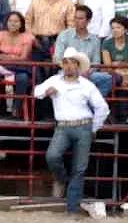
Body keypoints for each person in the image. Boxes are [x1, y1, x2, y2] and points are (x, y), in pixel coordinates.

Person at [34, 47, 109, 214]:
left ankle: (72, 208)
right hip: (64, 126)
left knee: (79, 167)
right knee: (52, 156)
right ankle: (62, 180)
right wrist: (46, 92)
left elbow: (102, 108)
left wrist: (94, 127)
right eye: (65, 63)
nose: (68, 66)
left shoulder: (87, 85)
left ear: (77, 66)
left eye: (71, 63)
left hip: (83, 126)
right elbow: (36, 91)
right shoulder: (55, 80)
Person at [54, 5, 112, 97]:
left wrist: (88, 71)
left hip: (87, 73)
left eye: (80, 18)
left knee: (108, 78)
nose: (77, 21)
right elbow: (57, 58)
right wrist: (71, 70)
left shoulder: (95, 40)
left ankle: (92, 105)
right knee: (61, 79)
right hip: (67, 71)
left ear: (88, 21)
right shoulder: (64, 35)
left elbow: (96, 62)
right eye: (75, 18)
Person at [0, 12, 35, 118]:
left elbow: (23, 58)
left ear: (21, 24)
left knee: (23, 78)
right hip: (2, 67)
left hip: (20, 67)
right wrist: (10, 58)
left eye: (16, 21)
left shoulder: (27, 37)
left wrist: (3, 56)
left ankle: (16, 109)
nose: (12, 24)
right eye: (10, 21)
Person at [102, 16, 128, 123]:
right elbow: (108, 66)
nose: (115, 30)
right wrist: (123, 74)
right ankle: (112, 116)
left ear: (125, 30)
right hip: (114, 74)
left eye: (118, 28)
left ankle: (126, 116)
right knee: (114, 80)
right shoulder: (107, 43)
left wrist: (121, 68)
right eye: (112, 28)